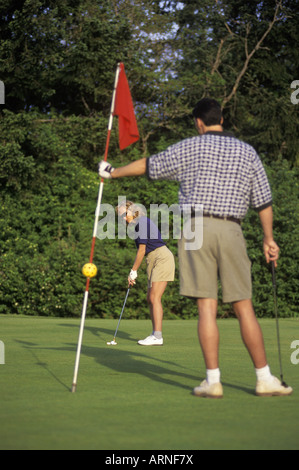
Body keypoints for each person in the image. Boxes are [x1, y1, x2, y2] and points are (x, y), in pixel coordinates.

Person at [99, 98, 293, 398]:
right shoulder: (247, 151)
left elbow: (147, 166)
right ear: (222, 120)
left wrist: (112, 172)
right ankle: (264, 378)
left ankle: (213, 381)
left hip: (195, 229)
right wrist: (269, 238)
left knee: (206, 307)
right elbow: (263, 202)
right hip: (232, 229)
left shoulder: (189, 146)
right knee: (244, 306)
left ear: (198, 122)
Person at [116, 200, 175, 346]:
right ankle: (155, 333)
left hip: (161, 257)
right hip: (152, 259)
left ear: (133, 211)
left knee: (155, 297)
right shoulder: (137, 226)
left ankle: (157, 336)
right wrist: (134, 271)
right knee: (150, 298)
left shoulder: (142, 222)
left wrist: (133, 271)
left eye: (124, 214)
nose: (123, 218)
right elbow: (144, 252)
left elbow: (142, 250)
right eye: (120, 216)